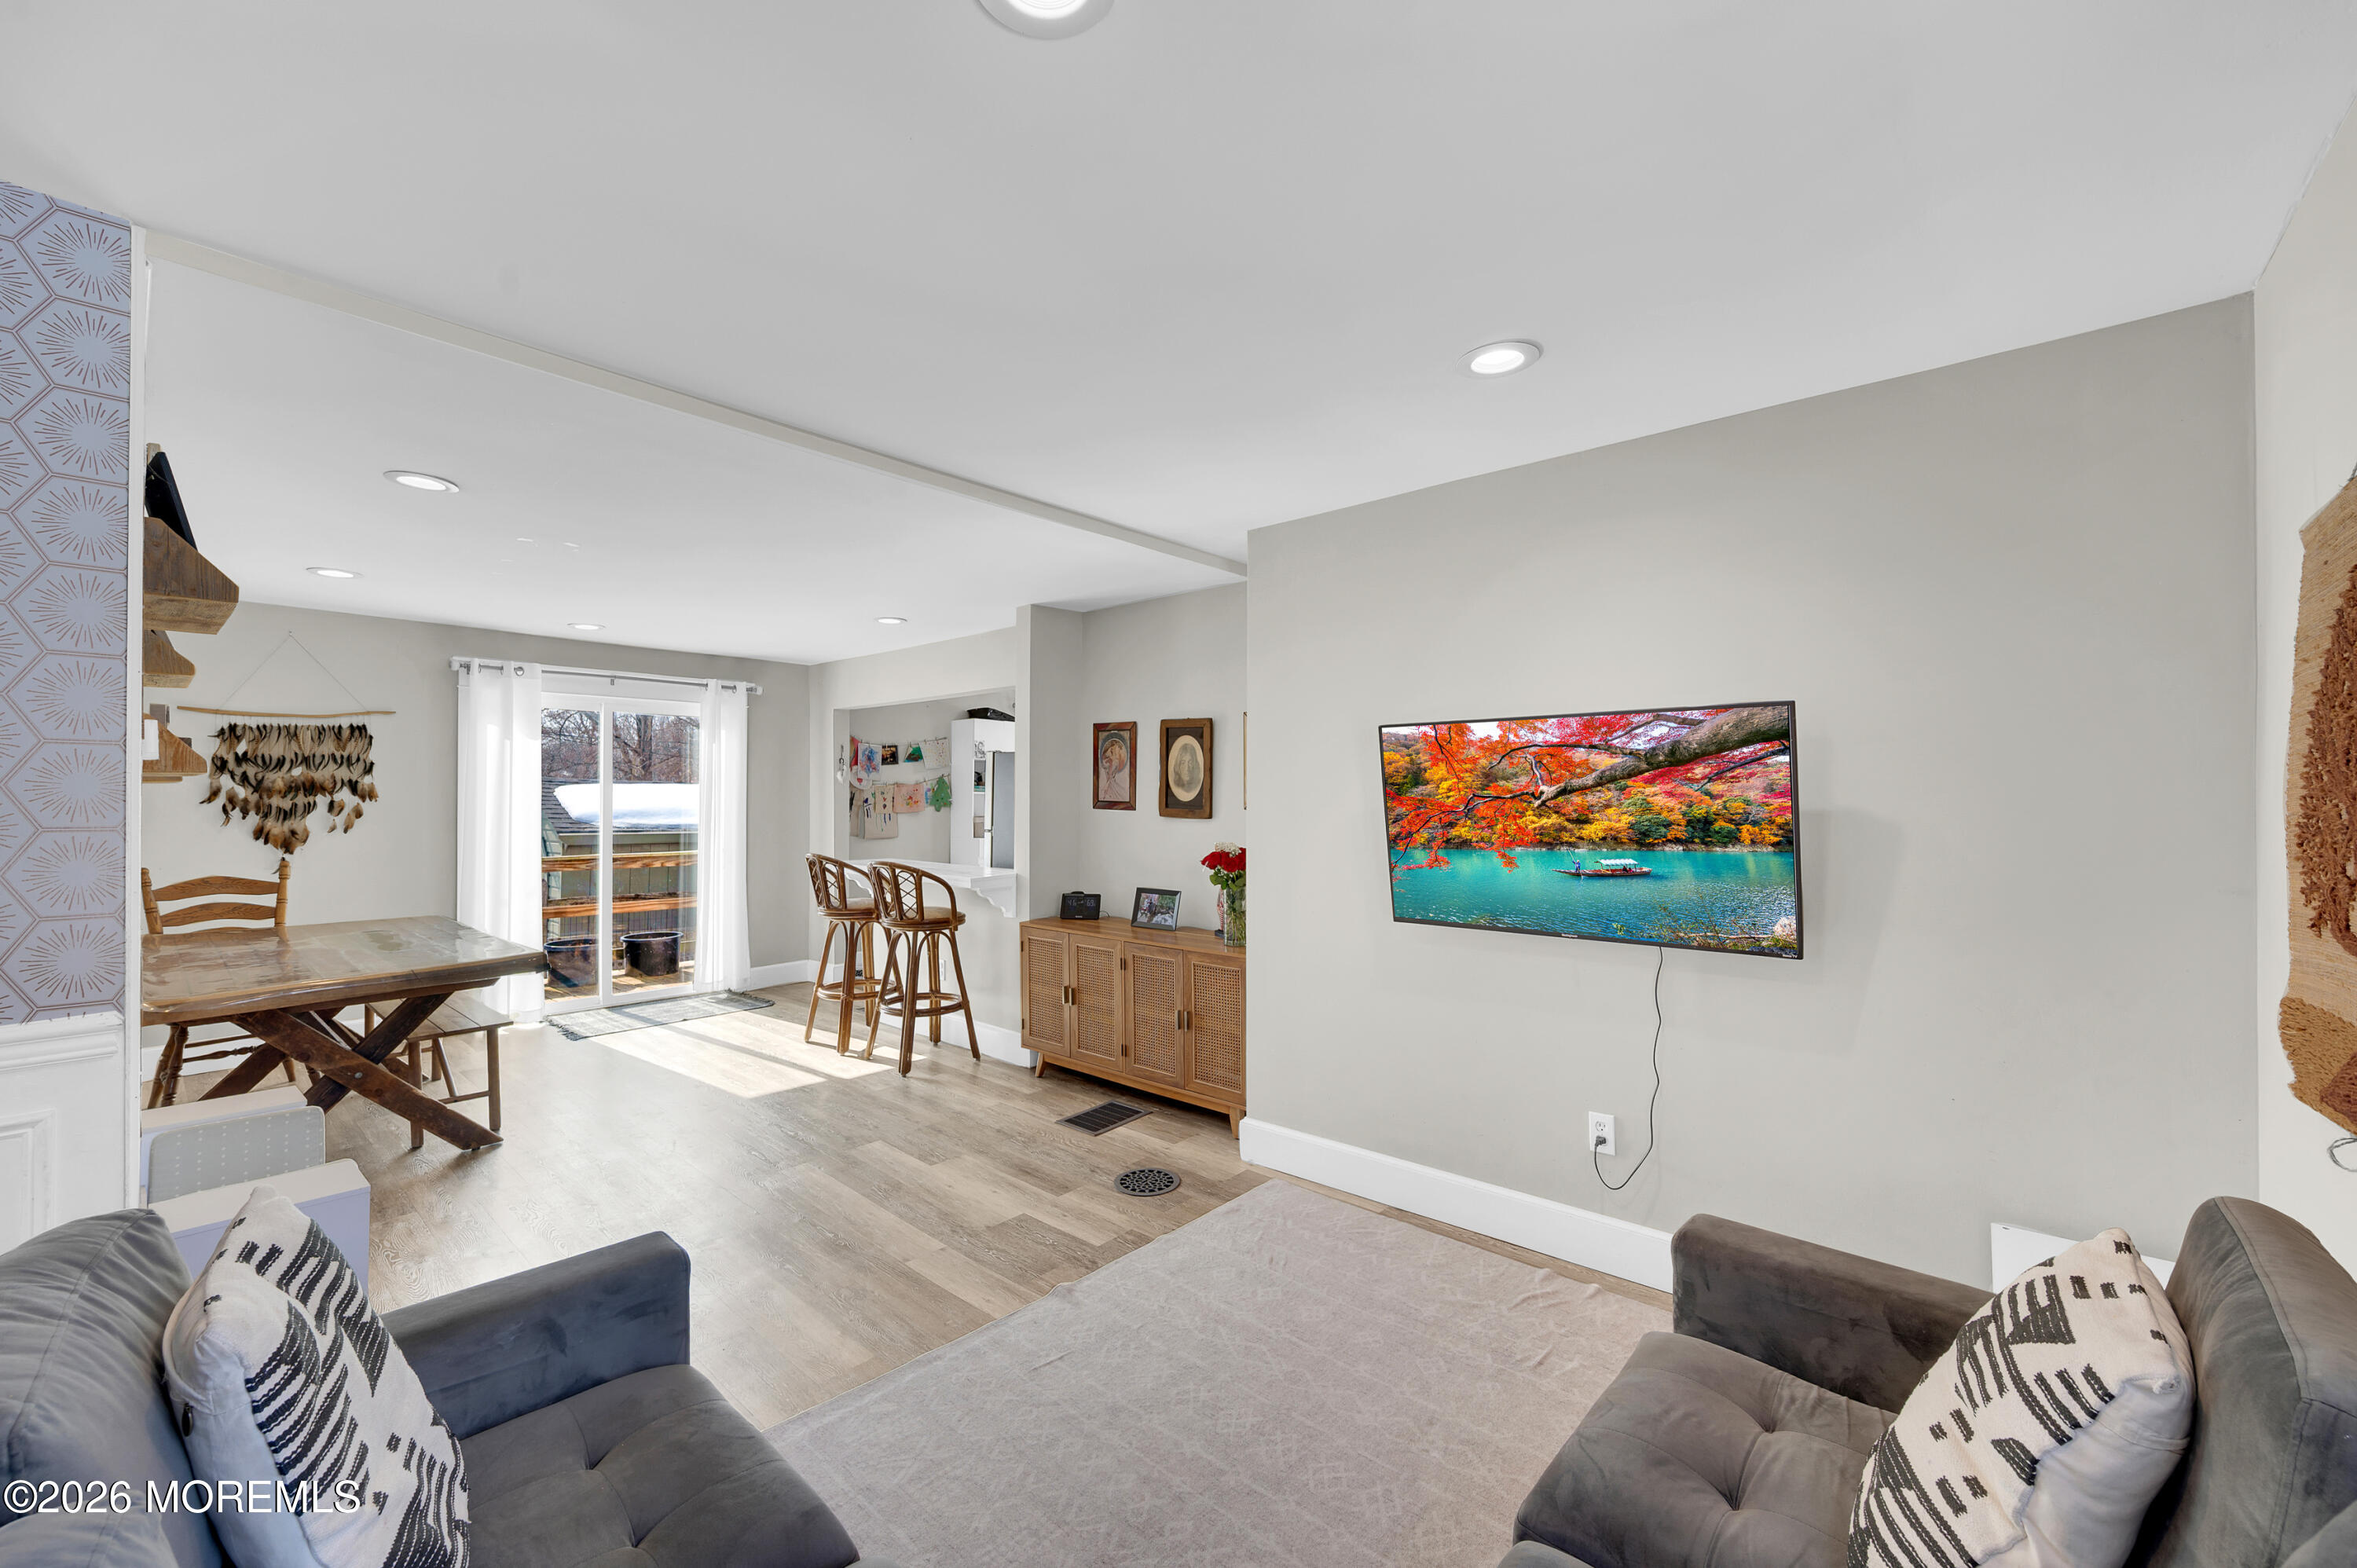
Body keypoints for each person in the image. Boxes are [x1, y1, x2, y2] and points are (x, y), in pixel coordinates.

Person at [1098, 732, 1131, 804]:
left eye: (1112, 751)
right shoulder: (1108, 773)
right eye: (1108, 757)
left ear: (1120, 748)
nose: (1111, 758)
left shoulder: (1126, 773)